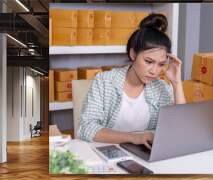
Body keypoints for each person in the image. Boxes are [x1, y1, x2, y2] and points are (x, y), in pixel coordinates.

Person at [78, 13, 186, 149]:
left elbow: (180, 128)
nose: (154, 71)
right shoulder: (104, 81)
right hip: (108, 151)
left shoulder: (160, 87)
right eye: (148, 61)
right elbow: (87, 128)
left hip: (145, 152)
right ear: (133, 54)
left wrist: (176, 83)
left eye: (160, 64)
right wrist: (132, 138)